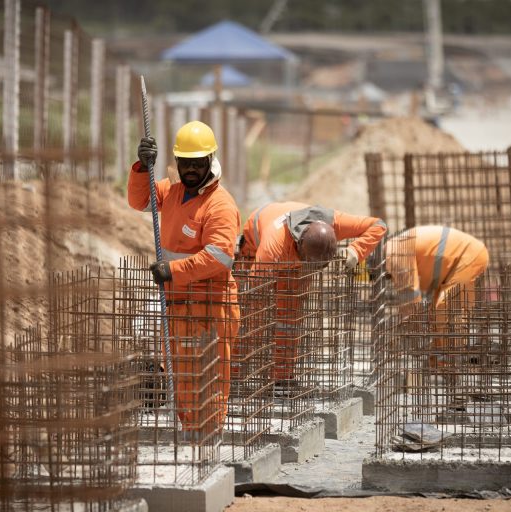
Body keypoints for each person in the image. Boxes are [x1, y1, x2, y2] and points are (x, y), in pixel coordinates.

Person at [128, 120, 240, 439]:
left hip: (210, 309)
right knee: (184, 379)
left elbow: (219, 258)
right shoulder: (173, 193)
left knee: (206, 383)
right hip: (179, 306)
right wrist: (140, 168)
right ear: (178, 162)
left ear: (210, 160)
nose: (191, 169)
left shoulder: (220, 205)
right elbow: (140, 201)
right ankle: (193, 440)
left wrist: (173, 271)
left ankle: (207, 443)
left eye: (197, 163)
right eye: (185, 163)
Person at [238, 201, 387, 385]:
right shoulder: (273, 247)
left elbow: (378, 225)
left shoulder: (334, 222)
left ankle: (282, 378)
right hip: (256, 242)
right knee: (250, 315)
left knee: (289, 318)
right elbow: (254, 292)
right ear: (299, 244)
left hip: (294, 261)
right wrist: (255, 333)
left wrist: (357, 250)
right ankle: (235, 371)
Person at [386, 225, 490, 367]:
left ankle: (454, 361)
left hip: (469, 256)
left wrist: (409, 333)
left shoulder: (395, 255)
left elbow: (411, 299)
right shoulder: (395, 248)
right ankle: (441, 362)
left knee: (447, 308)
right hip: (453, 265)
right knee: (437, 314)